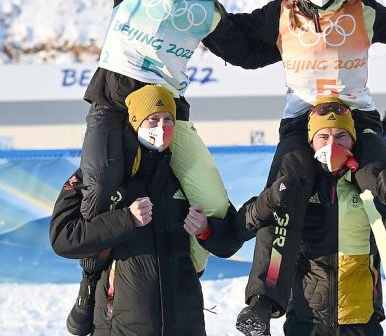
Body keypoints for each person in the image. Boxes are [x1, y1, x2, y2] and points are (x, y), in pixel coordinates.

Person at [202, 0, 386, 335]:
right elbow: (236, 43)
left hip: (357, 121)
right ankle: (262, 303)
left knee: (380, 186)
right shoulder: (280, 15)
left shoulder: (362, 12)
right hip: (302, 123)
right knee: (284, 191)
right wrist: (201, 7)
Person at [51, 0, 239, 334]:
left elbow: (246, 47)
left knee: (208, 193)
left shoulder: (207, 10)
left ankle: (191, 268)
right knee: (104, 188)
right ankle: (90, 286)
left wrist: (296, 26)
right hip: (114, 107)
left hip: (165, 117)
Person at [49, 85, 287, 336]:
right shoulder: (103, 176)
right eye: (152, 119)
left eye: (168, 120)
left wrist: (206, 230)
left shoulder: (186, 178)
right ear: (135, 122)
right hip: (119, 325)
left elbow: (229, 242)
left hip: (186, 323)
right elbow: (63, 238)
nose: (161, 128)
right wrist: (126, 219)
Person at [283, 97, 386, 335]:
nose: (331, 145)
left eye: (341, 136)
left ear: (354, 140)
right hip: (306, 320)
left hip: (362, 318)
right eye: (323, 137)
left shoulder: (369, 185)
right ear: (310, 141)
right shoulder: (301, 184)